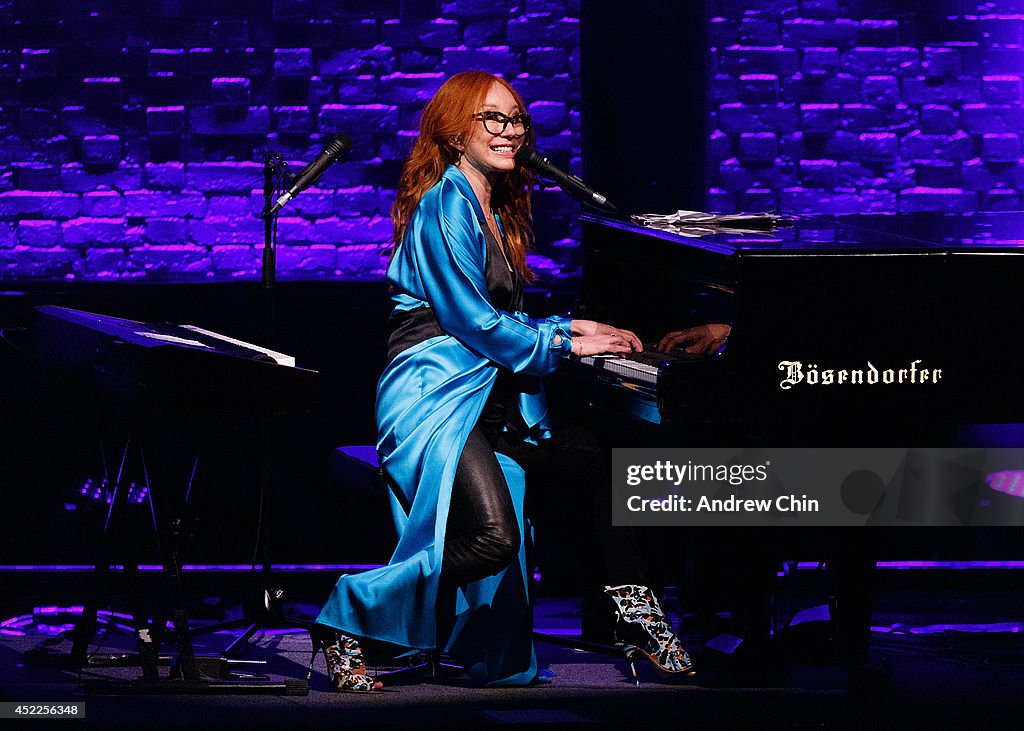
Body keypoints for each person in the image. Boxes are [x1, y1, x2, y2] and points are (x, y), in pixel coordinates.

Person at [310, 71, 693, 691]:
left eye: (516, 119)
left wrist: (571, 323)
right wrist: (568, 341)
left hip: (483, 395)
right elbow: (468, 318)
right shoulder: (445, 201)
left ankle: (638, 618)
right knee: (492, 538)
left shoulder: (490, 207)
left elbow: (498, 317)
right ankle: (347, 613)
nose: (511, 131)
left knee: (603, 466)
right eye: (493, 118)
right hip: (434, 392)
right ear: (455, 133)